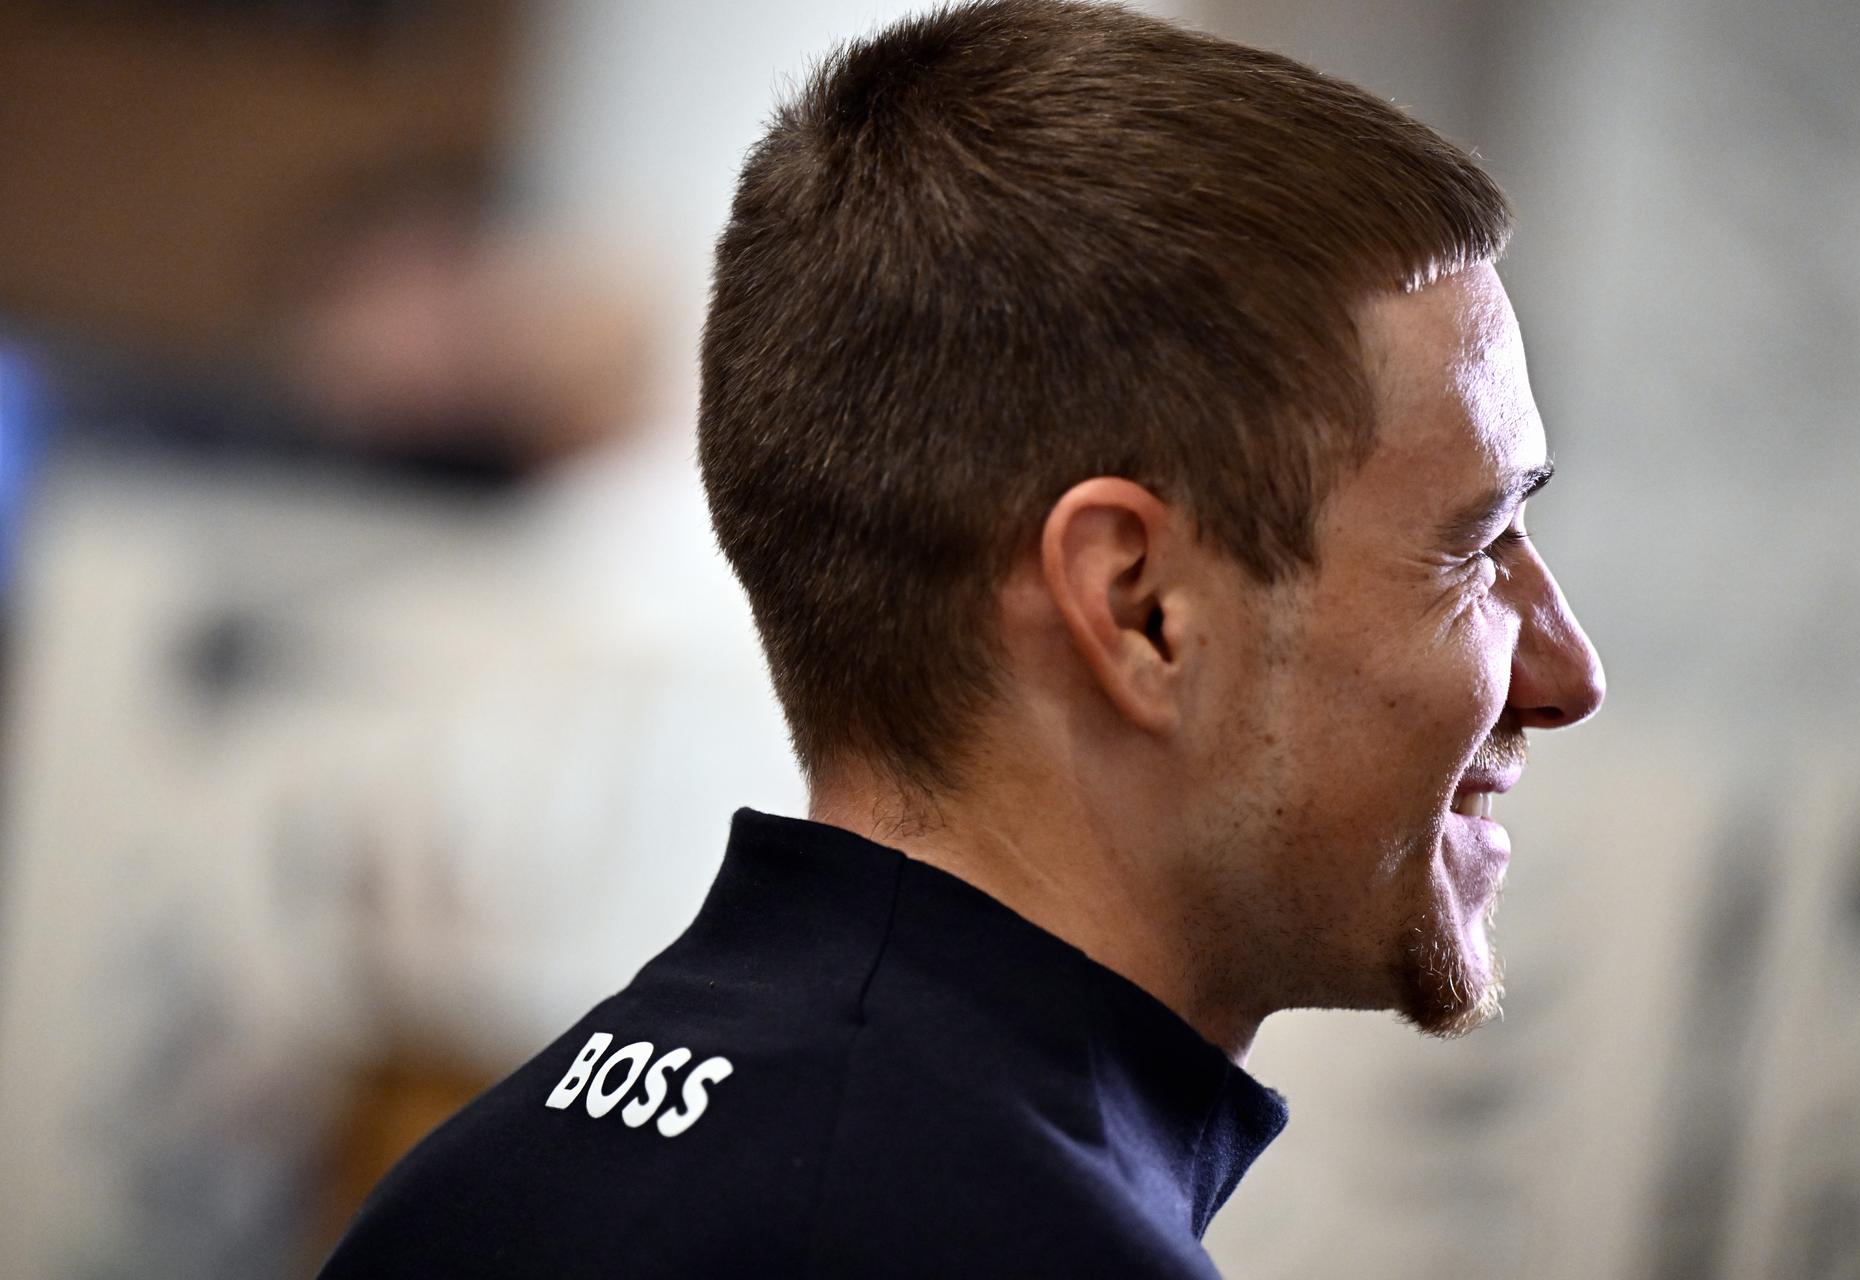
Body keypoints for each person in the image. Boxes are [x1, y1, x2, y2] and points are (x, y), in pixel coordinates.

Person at [319, 0, 1604, 1274]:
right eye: (1473, 547)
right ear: (1138, 607)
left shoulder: (479, 1176)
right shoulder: (1023, 1248)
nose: (1565, 672)